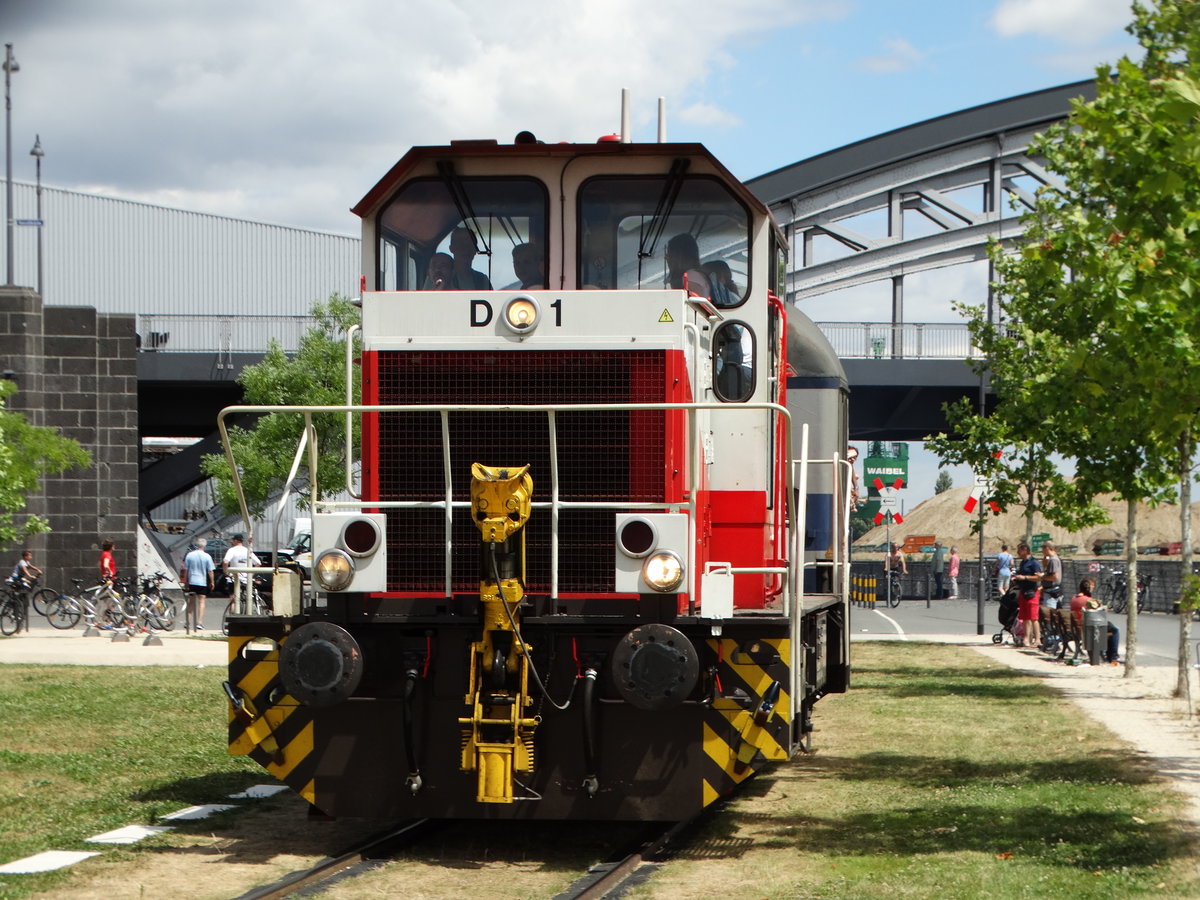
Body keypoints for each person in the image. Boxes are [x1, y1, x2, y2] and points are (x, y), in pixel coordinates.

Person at [1070, 576, 1120, 665]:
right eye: (1092, 586)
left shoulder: (1074, 599)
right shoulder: (1089, 601)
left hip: (1078, 627)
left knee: (1109, 628)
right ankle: (1113, 656)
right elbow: (1102, 611)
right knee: (1115, 630)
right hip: (1090, 627)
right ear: (1089, 588)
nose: (1093, 588)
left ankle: (1105, 654)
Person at [180, 538, 215, 631]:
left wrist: (186, 581)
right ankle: (199, 623)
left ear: (196, 545)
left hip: (192, 581)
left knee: (191, 602)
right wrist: (212, 581)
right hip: (202, 581)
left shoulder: (189, 555)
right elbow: (210, 571)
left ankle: (187, 622)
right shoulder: (207, 556)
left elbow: (186, 569)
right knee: (202, 601)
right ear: (204, 546)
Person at [1012, 542, 1043, 648]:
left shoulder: (1034, 563)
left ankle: (1038, 639)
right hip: (1023, 591)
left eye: (1019, 550)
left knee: (1033, 617)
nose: (1018, 553)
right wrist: (1017, 579)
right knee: (1025, 617)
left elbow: (1039, 577)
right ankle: (1026, 638)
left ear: (1025, 550)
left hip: (1032, 592)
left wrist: (1025, 577)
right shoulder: (1023, 563)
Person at [665, 233, 711, 298]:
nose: (666, 257)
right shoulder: (695, 274)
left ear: (679, 256)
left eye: (670, 253)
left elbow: (693, 305)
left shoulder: (690, 277)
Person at [1041, 542, 1063, 609]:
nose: (1042, 551)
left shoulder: (1053, 560)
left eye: (1043, 549)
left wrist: (1042, 577)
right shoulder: (1052, 559)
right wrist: (1044, 565)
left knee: (1048, 614)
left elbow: (1054, 577)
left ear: (1047, 548)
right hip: (1051, 591)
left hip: (1051, 593)